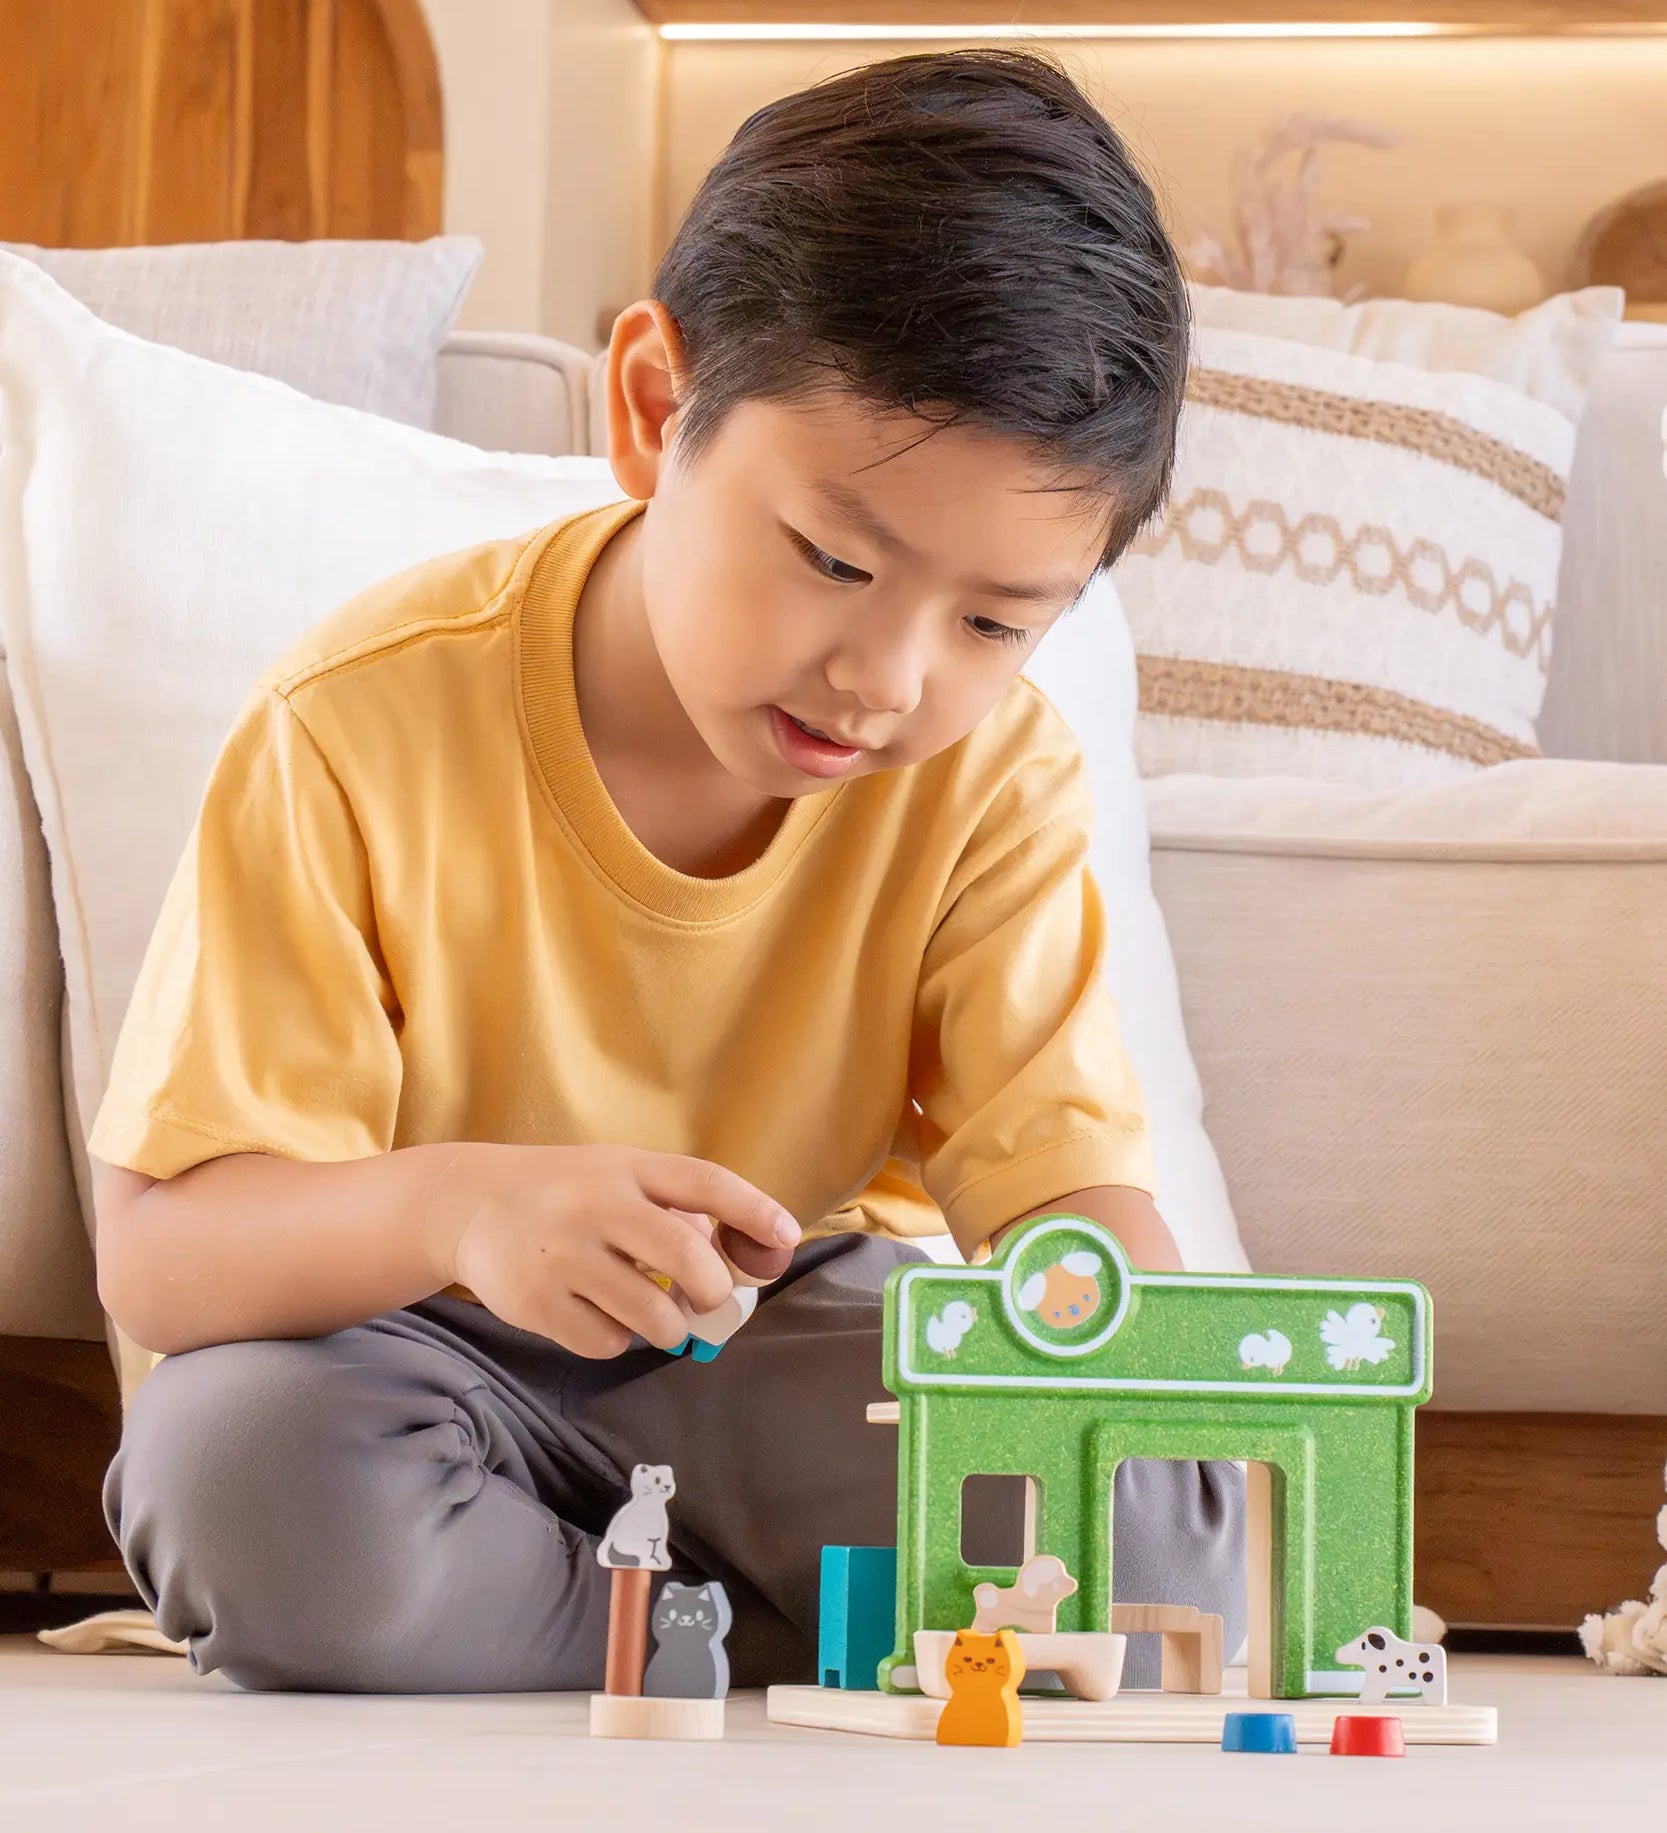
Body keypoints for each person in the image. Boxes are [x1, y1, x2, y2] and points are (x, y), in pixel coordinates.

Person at [91, 46, 1244, 1694]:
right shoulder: (361, 718)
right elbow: (161, 1251)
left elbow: (1057, 1195)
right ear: (651, 409)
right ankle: (771, 1634)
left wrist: (1153, 1370)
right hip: (410, 1357)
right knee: (248, 1476)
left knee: (1170, 1530)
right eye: (834, 559)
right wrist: (466, 1205)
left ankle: (636, 1623)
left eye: (994, 622)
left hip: (770, 1357)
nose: (889, 677)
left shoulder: (991, 777)